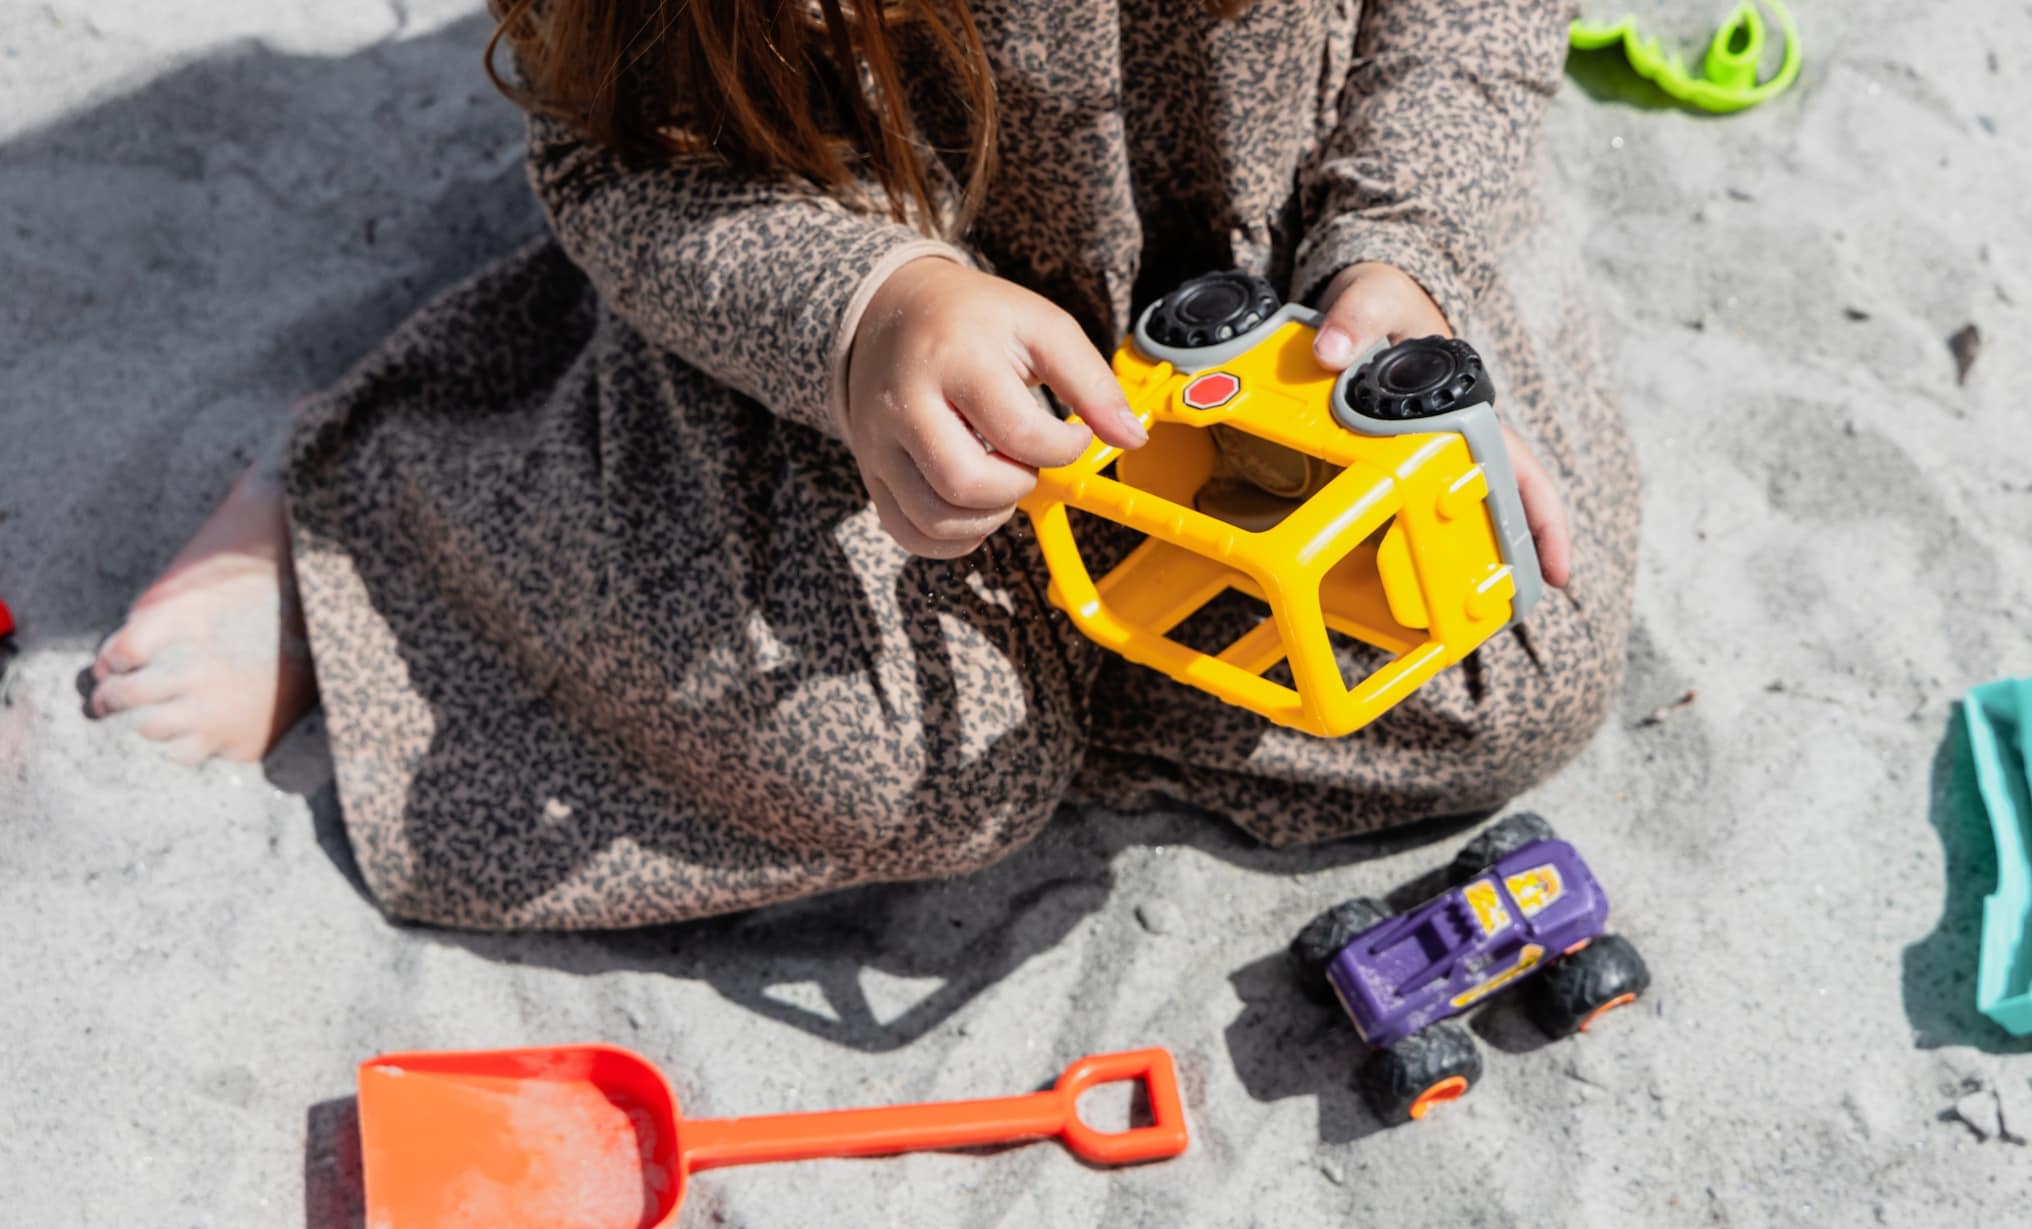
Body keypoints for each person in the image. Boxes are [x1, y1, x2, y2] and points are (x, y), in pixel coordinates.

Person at [86, 0, 1637, 930]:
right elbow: (617, 154)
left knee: (1509, 679)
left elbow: (1468, 29)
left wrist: (1403, 251)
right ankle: (380, 508)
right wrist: (865, 314)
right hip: (826, 266)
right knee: (891, 764)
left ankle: (1067, 669)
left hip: (1259, 252)